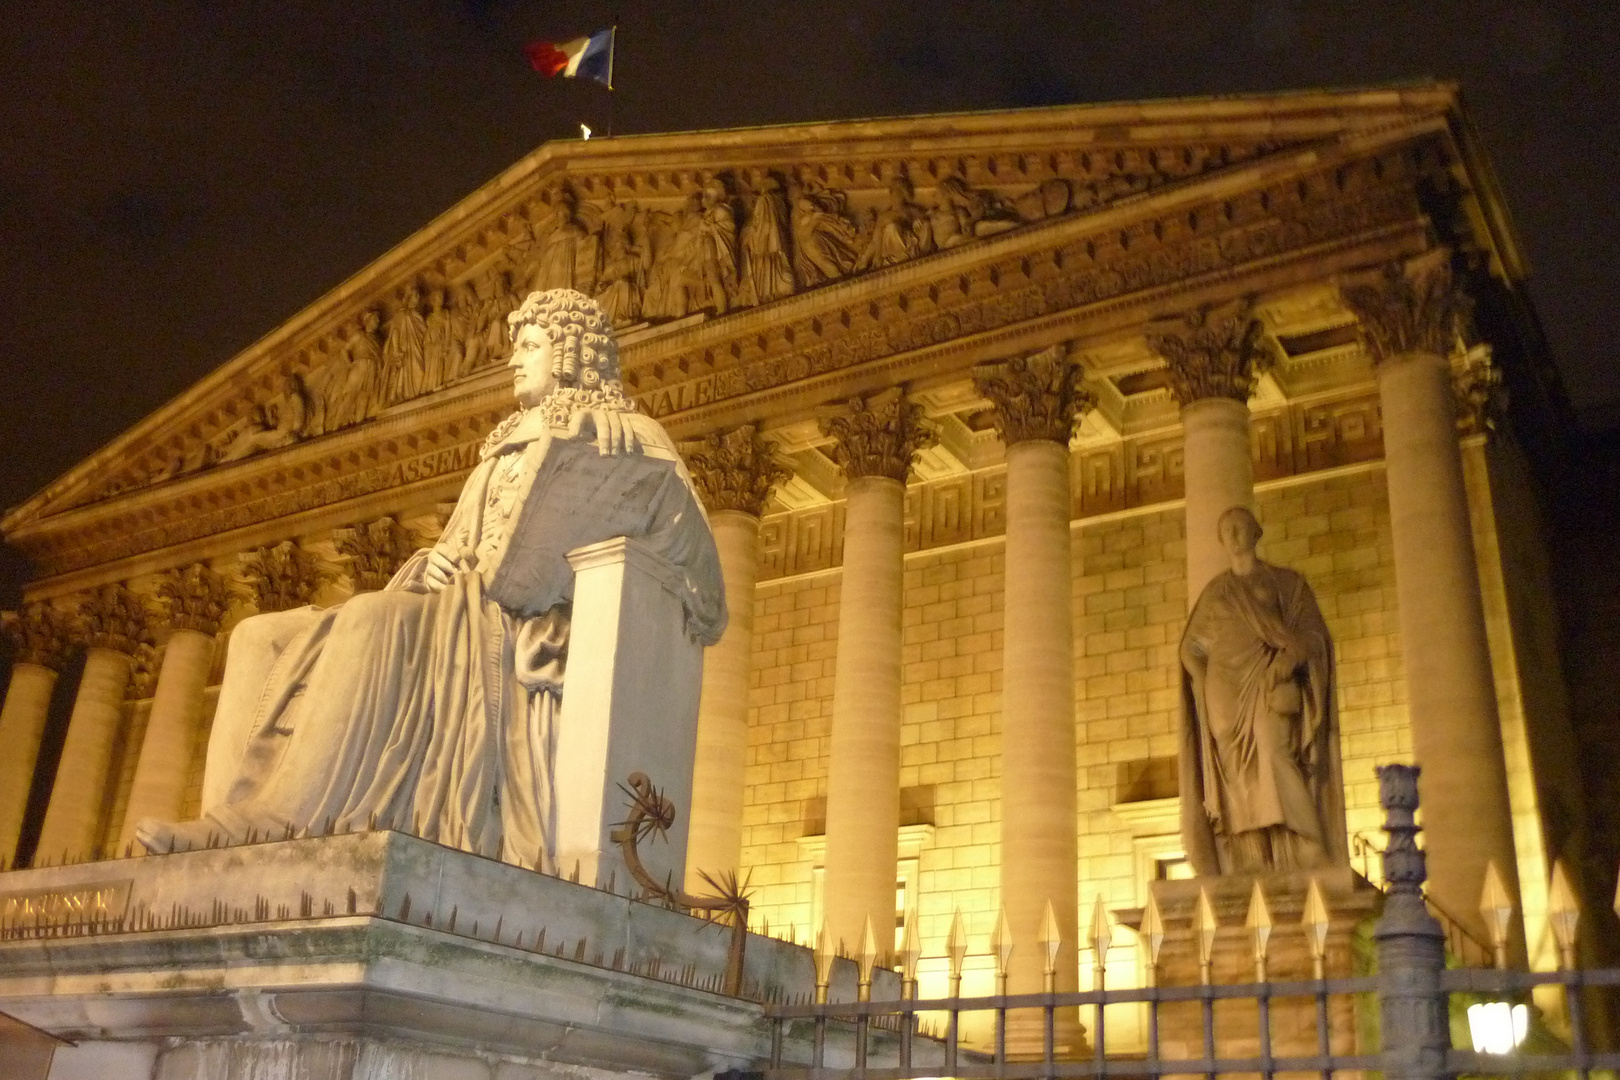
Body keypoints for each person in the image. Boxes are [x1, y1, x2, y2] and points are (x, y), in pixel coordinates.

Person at [136, 290, 726, 868]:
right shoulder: (502, 447)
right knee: (257, 634)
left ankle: (278, 820)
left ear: (570, 352)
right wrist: (429, 563)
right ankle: (223, 822)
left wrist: (647, 481)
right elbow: (459, 546)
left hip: (514, 628)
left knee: (371, 616)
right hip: (453, 604)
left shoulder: (628, 436)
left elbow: (707, 590)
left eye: (530, 344)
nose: (514, 359)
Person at [1178, 506, 1346, 874]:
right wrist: (1202, 684)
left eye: (1240, 527)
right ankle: (1251, 854)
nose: (1234, 535)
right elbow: (1190, 647)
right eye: (1226, 531)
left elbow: (1313, 633)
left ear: (1257, 531)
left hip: (1268, 682)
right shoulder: (1216, 592)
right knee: (1236, 774)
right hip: (1224, 692)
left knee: (1275, 751)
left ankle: (1308, 840)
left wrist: (1291, 657)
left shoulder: (1285, 583)